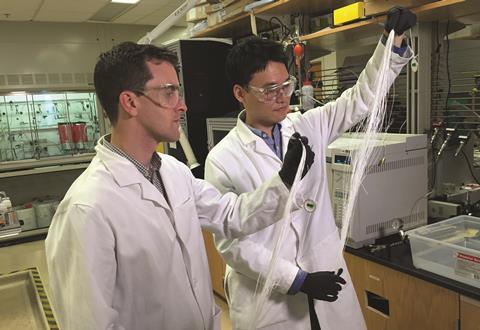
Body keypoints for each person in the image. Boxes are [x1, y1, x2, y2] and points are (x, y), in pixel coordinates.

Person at [45, 41, 314, 330]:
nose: (182, 105)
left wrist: (284, 182)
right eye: (169, 92)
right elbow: (88, 323)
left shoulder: (173, 171)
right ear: (130, 102)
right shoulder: (87, 208)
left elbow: (230, 215)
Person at [204, 7, 416, 330]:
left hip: (327, 279)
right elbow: (233, 244)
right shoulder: (222, 159)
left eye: (285, 86)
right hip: (271, 300)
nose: (281, 97)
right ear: (240, 93)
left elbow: (359, 100)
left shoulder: (305, 125)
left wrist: (391, 44)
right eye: (268, 90)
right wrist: (297, 279)